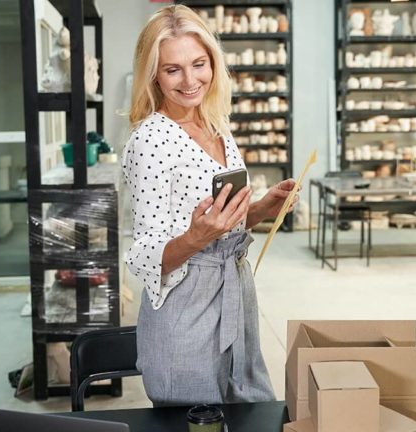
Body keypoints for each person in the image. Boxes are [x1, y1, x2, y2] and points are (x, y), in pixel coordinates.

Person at [122, 5, 299, 406]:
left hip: (234, 288)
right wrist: (196, 238)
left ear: (213, 62)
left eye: (199, 64)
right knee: (196, 414)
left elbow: (224, 223)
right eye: (173, 70)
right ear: (153, 74)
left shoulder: (216, 124)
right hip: (186, 305)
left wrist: (257, 210)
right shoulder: (151, 141)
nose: (190, 80)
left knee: (248, 408)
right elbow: (143, 256)